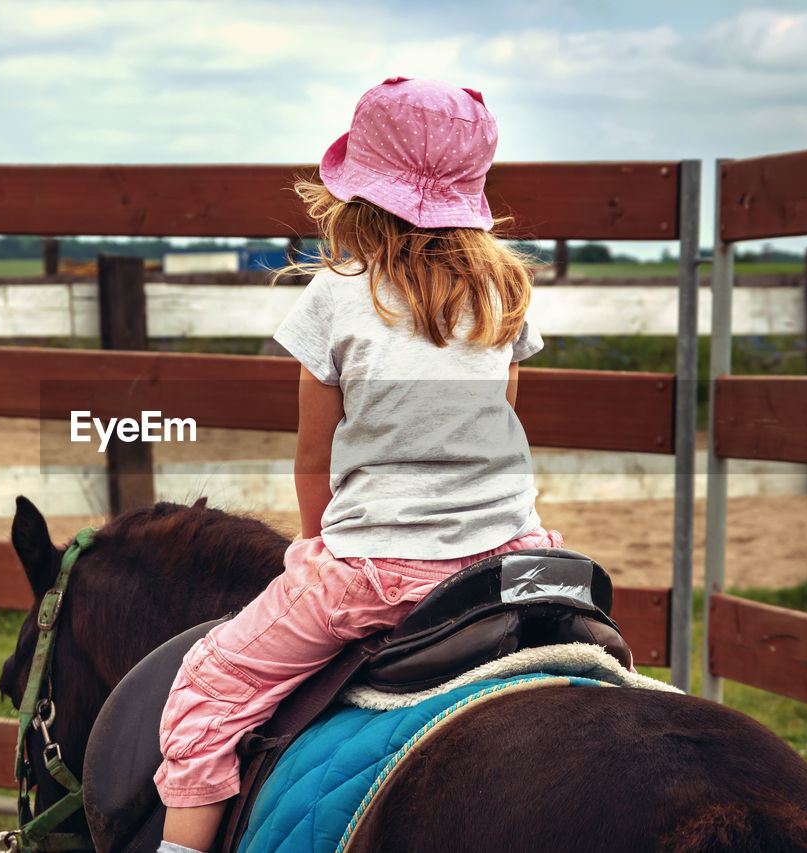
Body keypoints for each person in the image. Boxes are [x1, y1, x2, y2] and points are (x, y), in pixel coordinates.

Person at [154, 76, 559, 853]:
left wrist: (315, 544)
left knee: (209, 687)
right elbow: (503, 414)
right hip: (512, 557)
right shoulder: (508, 290)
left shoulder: (336, 299)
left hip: (375, 568)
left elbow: (316, 455)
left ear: (360, 199)